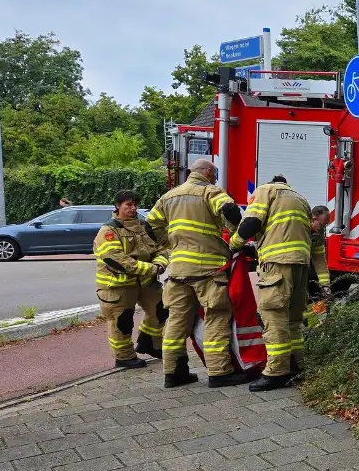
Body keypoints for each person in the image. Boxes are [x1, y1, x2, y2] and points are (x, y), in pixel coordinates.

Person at [147, 158, 251, 388]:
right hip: (208, 269)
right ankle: (219, 372)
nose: (215, 178)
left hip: (178, 270)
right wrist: (236, 233)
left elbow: (149, 225)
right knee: (217, 315)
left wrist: (169, 244)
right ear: (206, 172)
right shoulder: (210, 192)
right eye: (214, 175)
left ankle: (173, 373)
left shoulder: (169, 196)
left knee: (176, 320)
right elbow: (230, 209)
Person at [229, 175, 325, 392]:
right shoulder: (301, 199)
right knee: (293, 320)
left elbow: (251, 223)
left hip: (277, 266)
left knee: (273, 316)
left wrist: (234, 243)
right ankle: (296, 366)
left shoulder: (266, 191)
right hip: (300, 265)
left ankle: (276, 372)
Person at [93, 190, 169, 369]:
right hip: (117, 286)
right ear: (118, 206)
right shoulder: (109, 230)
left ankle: (149, 343)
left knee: (162, 308)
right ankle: (124, 357)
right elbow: (116, 260)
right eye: (128, 205)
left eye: (135, 204)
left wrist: (160, 263)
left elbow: (160, 249)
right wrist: (151, 269)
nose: (132, 208)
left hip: (144, 282)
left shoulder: (143, 226)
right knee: (123, 321)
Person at [306, 205, 331, 301]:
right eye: (321, 225)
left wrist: (326, 287)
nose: (323, 229)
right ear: (313, 219)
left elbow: (320, 263)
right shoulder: (300, 230)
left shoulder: (318, 238)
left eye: (325, 226)